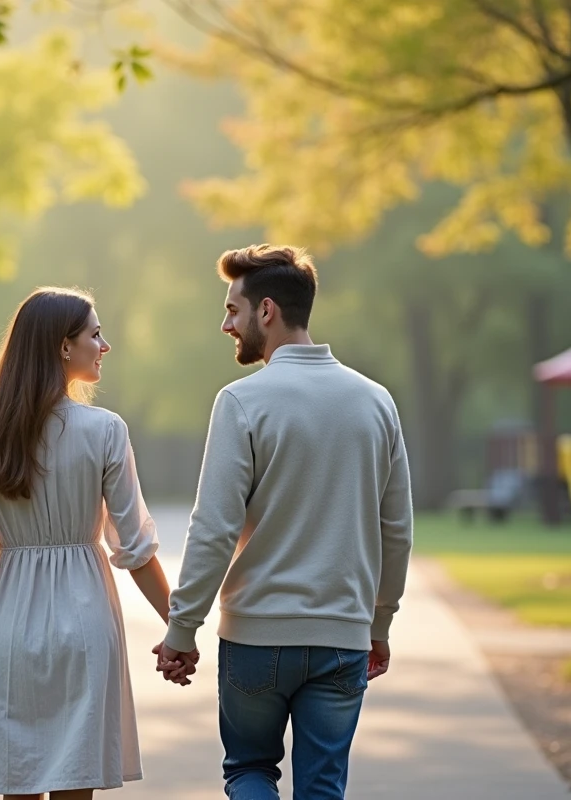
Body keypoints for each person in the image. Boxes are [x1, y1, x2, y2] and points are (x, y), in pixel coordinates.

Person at [155, 244, 414, 799]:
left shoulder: (242, 402)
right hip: (342, 635)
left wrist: (183, 629)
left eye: (232, 310)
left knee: (249, 771)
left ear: (266, 311)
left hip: (256, 636)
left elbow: (214, 528)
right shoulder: (376, 403)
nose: (226, 324)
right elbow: (397, 528)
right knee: (323, 787)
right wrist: (379, 622)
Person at [0, 287, 177, 800]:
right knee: (76, 786)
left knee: (17, 782)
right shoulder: (105, 431)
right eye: (95, 334)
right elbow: (135, 547)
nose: (104, 345)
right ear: (63, 347)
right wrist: (179, 627)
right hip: (86, 622)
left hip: (9, 627)